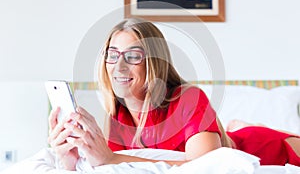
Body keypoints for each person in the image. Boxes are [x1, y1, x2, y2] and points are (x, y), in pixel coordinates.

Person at [48, 17, 300, 170]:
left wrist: (110, 157)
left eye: (133, 56)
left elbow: (209, 167)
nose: (118, 66)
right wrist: (69, 159)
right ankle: (235, 128)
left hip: (264, 147)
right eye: (112, 55)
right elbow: (113, 164)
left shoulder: (188, 99)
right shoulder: (119, 112)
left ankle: (244, 128)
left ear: (155, 62)